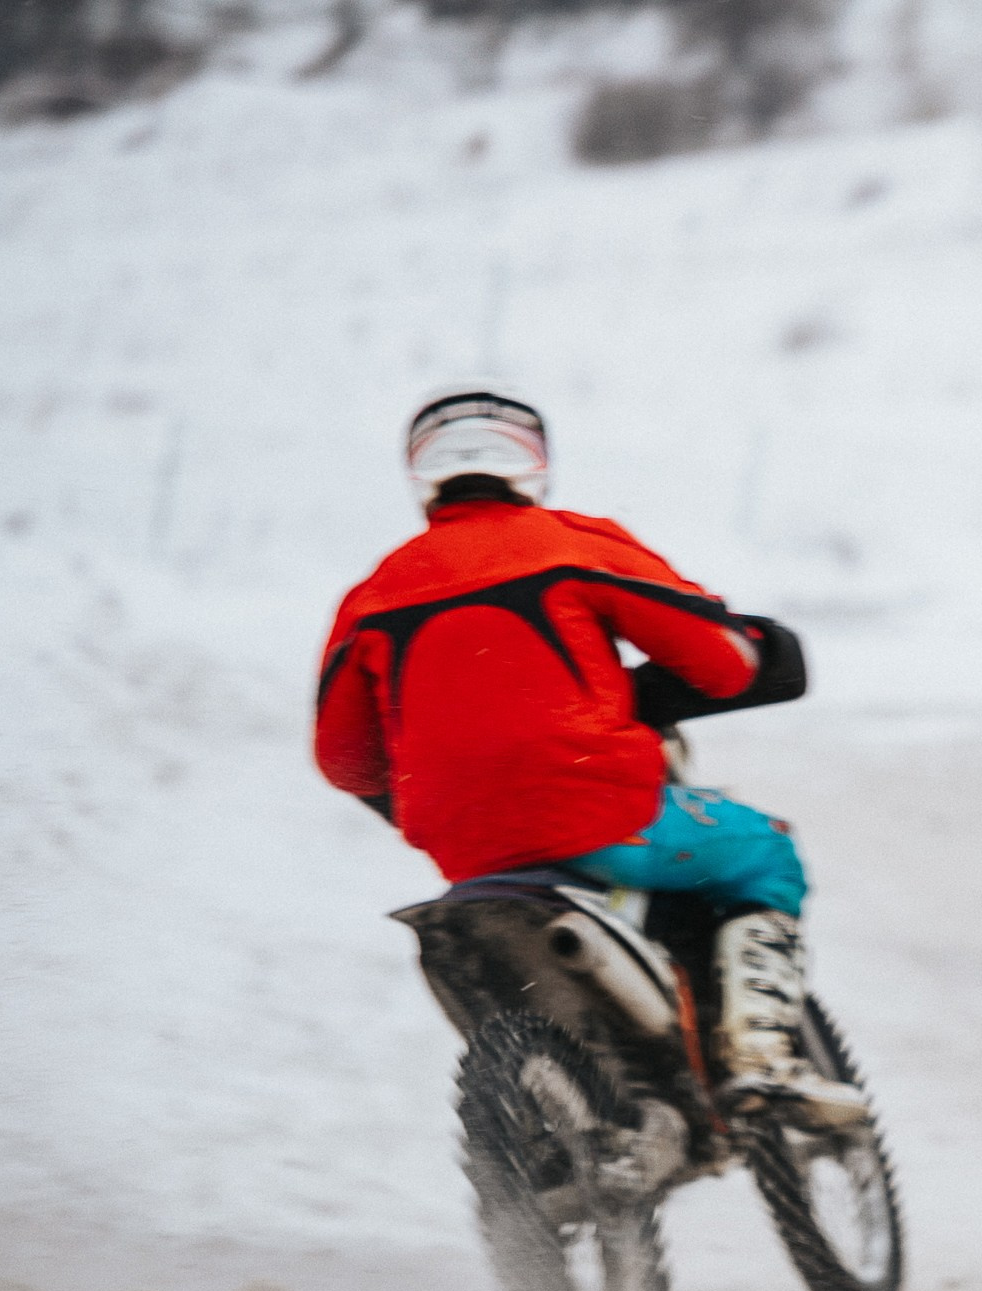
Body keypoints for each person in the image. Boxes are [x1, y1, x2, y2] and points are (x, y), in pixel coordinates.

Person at [314, 387, 868, 1134]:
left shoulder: (371, 596)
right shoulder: (569, 543)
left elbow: (345, 761)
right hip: (600, 813)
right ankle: (760, 1059)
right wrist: (752, 652)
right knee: (764, 850)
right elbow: (726, 664)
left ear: (422, 478)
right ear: (533, 468)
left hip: (466, 852)